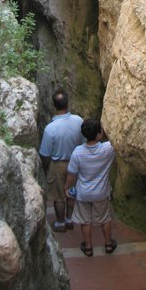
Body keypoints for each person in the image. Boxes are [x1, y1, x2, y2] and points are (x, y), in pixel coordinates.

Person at [65, 118, 116, 257]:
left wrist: (67, 188)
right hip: (101, 192)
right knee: (105, 218)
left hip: (83, 193)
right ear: (99, 134)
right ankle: (108, 244)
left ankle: (88, 247)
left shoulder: (78, 152)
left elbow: (72, 174)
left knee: (85, 220)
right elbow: (117, 142)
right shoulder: (108, 149)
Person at [39, 88, 84, 232]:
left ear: (54, 105)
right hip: (75, 163)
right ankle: (69, 219)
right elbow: (84, 142)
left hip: (58, 165)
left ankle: (59, 223)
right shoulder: (78, 121)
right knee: (71, 192)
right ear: (67, 103)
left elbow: (45, 154)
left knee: (59, 196)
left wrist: (46, 169)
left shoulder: (50, 129)